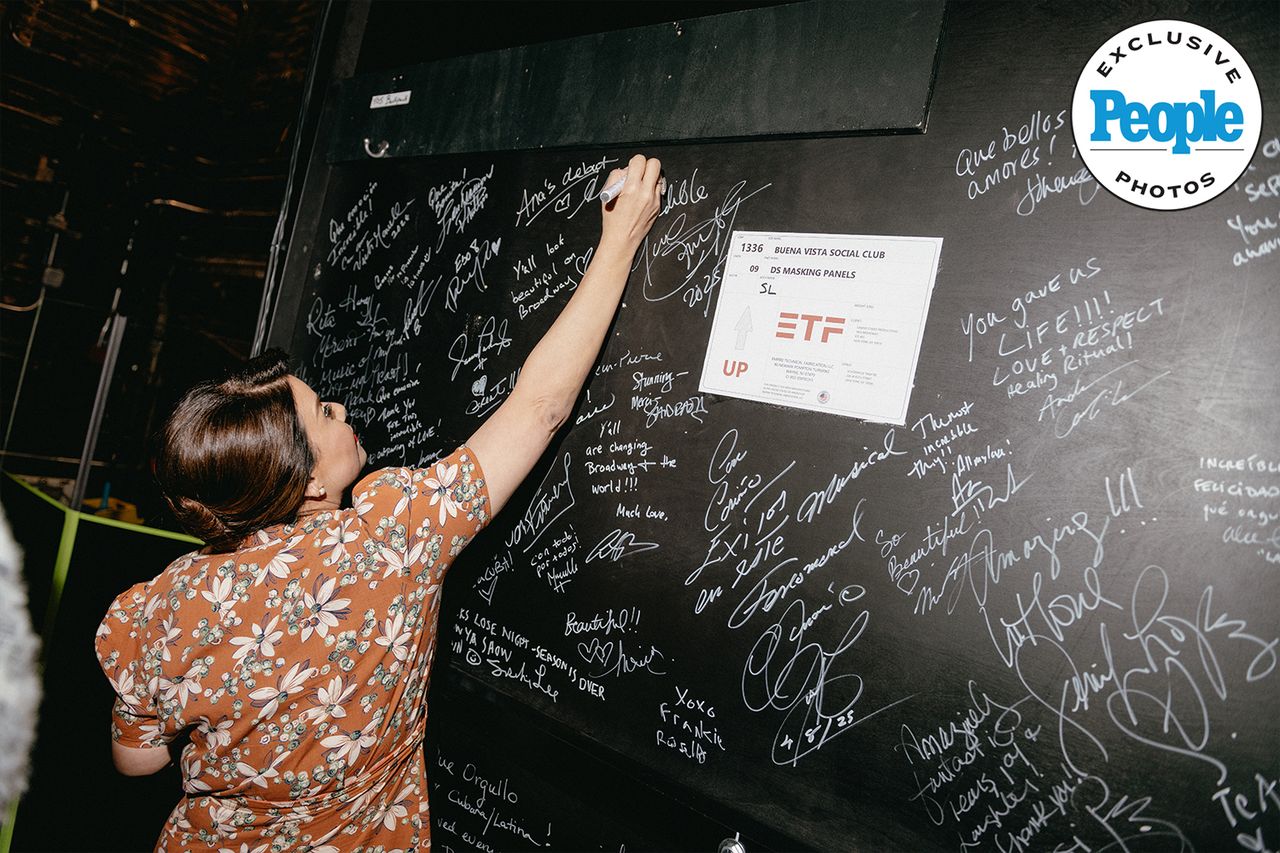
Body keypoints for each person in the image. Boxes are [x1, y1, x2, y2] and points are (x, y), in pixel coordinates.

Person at [95, 155, 662, 852]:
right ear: (303, 482)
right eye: (322, 412)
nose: (339, 406)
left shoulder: (160, 605)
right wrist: (620, 240)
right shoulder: (394, 536)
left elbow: (139, 761)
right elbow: (541, 406)